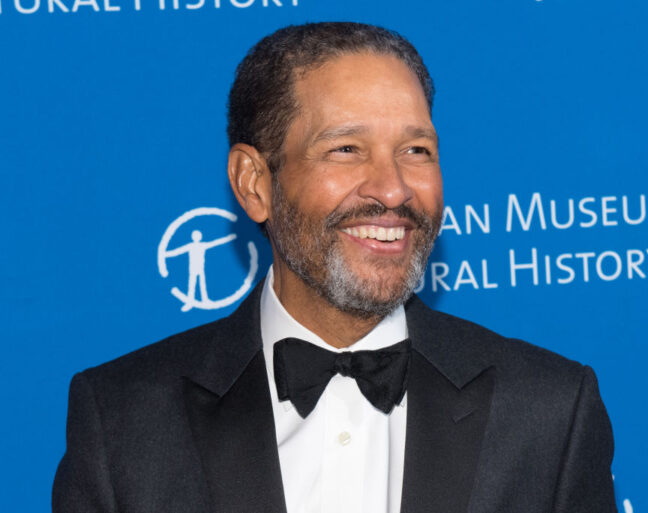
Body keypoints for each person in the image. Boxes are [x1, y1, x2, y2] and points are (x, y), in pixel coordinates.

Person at [53, 22, 617, 513]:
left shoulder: (549, 412)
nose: (393, 189)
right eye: (346, 149)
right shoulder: (124, 423)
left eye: (417, 150)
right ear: (254, 184)